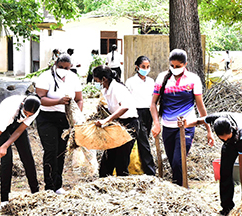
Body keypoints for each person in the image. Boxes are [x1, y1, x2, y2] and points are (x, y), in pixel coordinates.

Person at [150, 49, 214, 186]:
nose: (174, 69)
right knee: (173, 162)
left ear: (185, 64)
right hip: (167, 126)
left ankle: (181, 190)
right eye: (172, 66)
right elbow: (153, 104)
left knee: (178, 161)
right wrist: (156, 123)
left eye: (178, 66)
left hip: (186, 126)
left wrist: (209, 130)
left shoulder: (193, 79)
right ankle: (177, 188)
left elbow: (200, 107)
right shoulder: (162, 78)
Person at [0, 94, 42, 206]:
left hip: (17, 126)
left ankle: (36, 194)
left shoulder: (36, 110)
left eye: (29, 115)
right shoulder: (10, 111)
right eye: (26, 113)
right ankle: (4, 199)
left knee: (27, 157)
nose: (27, 116)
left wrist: (6, 145)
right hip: (3, 123)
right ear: (22, 105)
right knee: (7, 160)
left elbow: (19, 130)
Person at [35, 54, 83, 194]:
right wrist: (58, 101)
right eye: (61, 67)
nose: (63, 69)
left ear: (71, 67)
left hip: (64, 118)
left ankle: (58, 185)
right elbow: (40, 98)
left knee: (61, 152)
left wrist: (76, 116)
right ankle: (49, 186)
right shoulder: (45, 77)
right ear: (55, 64)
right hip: (46, 117)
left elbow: (79, 99)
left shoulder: (73, 78)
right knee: (51, 150)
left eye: (67, 68)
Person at [92, 66, 139, 177]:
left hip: (129, 125)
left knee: (121, 161)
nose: (96, 83)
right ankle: (103, 183)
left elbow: (125, 107)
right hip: (116, 124)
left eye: (96, 80)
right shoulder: (106, 90)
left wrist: (106, 120)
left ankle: (122, 188)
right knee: (107, 160)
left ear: (104, 79)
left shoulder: (118, 88)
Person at [125, 55, 157, 176]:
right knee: (142, 141)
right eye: (143, 66)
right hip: (135, 112)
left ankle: (140, 167)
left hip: (148, 111)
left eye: (148, 67)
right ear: (137, 67)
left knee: (144, 140)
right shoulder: (131, 82)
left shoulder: (150, 81)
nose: (146, 69)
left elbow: (153, 98)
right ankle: (150, 171)